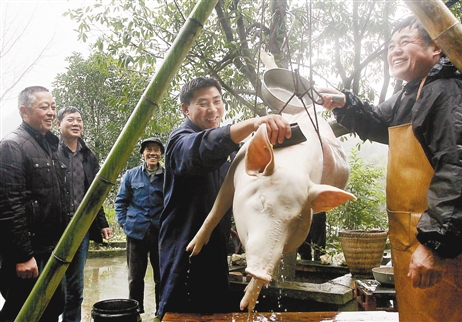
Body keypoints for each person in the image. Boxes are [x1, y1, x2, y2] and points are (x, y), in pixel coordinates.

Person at [318, 16, 462, 322]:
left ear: (437, 49)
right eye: (391, 45)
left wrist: (435, 246)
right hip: (415, 239)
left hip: (454, 245)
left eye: (406, 42)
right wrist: (345, 103)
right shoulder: (411, 94)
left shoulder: (449, 93)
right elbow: (376, 119)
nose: (395, 51)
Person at [157, 77, 291, 316]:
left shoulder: (229, 152)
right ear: (186, 109)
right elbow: (202, 150)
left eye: (217, 101)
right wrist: (253, 124)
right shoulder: (179, 141)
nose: (213, 109)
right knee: (180, 311)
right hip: (184, 245)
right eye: (203, 103)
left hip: (216, 244)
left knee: (216, 308)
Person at [0, 86, 67, 322]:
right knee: (22, 313)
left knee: (52, 308)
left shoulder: (49, 145)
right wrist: (22, 255)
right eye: (44, 107)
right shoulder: (12, 146)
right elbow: (9, 205)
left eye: (53, 107)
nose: (51, 112)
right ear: (24, 111)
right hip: (30, 254)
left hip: (50, 249)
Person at [56, 106, 112, 322]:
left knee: (75, 287)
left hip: (81, 229)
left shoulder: (88, 156)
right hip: (55, 228)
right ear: (59, 124)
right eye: (71, 120)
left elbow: (94, 194)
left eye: (79, 120)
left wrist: (102, 223)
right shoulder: (51, 151)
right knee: (53, 286)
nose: (76, 123)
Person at [115, 137, 165, 316]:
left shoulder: (167, 177)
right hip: (136, 233)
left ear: (160, 154)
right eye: (149, 149)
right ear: (143, 153)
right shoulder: (131, 175)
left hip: (159, 233)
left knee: (161, 277)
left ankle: (161, 312)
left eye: (156, 150)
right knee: (135, 278)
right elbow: (120, 202)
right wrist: (124, 223)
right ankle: (134, 312)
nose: (152, 153)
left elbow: (172, 204)